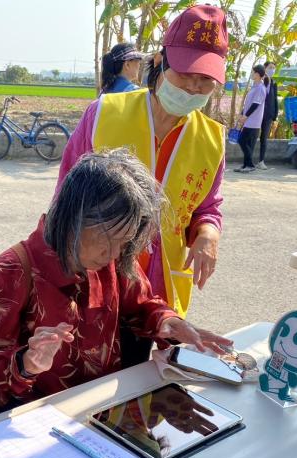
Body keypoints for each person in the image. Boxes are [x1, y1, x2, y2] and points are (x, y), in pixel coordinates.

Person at [0, 149, 231, 415]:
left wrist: (169, 323)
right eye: (109, 240)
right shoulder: (10, 271)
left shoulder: (112, 260)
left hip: (104, 409)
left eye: (125, 242)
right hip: (37, 420)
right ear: (73, 219)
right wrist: (26, 363)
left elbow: (141, 305)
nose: (116, 253)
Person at [56, 5, 229, 365]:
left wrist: (208, 235)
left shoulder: (211, 139)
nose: (195, 87)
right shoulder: (106, 113)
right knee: (80, 373)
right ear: (160, 62)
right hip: (95, 274)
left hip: (154, 291)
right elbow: (65, 194)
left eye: (206, 80)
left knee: (133, 377)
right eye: (186, 74)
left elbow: (207, 207)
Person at [235, 64, 267, 174]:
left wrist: (245, 116)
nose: (252, 74)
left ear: (258, 74)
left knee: (242, 140)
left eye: (253, 72)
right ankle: (245, 165)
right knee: (246, 143)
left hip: (254, 121)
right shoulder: (255, 87)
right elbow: (248, 104)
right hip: (249, 120)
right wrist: (242, 114)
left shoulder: (261, 88)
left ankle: (250, 165)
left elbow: (255, 105)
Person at [256, 60, 278, 170]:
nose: (272, 70)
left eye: (274, 68)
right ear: (264, 68)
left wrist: (275, 114)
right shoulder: (259, 81)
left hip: (268, 114)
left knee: (264, 138)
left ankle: (261, 161)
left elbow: (274, 100)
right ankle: (248, 160)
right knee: (252, 135)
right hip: (257, 113)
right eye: (270, 67)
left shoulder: (274, 83)